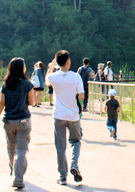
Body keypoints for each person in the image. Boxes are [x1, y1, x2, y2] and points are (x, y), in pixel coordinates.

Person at [0, 58, 35, 189]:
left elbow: (1, 104)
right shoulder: (27, 84)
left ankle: (13, 171)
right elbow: (32, 102)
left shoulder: (5, 84)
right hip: (23, 121)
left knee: (11, 148)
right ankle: (18, 177)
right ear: (22, 69)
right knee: (21, 150)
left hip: (9, 122)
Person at [46, 50, 85, 185]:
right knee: (75, 141)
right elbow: (81, 96)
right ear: (68, 61)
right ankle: (74, 165)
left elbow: (46, 81)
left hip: (58, 116)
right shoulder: (76, 77)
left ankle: (62, 176)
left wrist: (51, 65)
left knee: (60, 146)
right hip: (73, 115)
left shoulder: (53, 77)